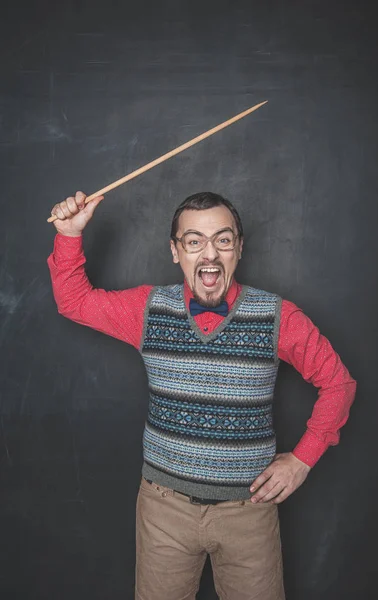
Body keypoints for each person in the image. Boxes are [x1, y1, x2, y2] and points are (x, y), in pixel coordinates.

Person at [47, 190, 356, 600]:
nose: (209, 254)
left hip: (249, 514)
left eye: (222, 240)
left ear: (239, 248)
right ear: (176, 251)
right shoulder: (148, 309)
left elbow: (339, 383)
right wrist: (69, 235)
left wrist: (302, 459)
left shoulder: (278, 316)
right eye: (193, 241)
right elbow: (74, 302)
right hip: (163, 511)